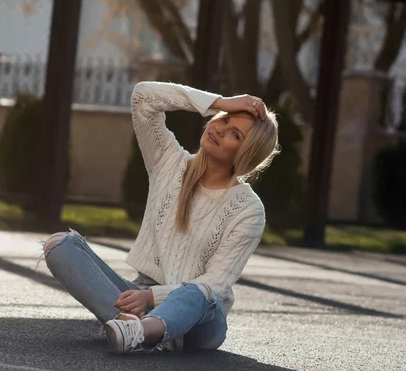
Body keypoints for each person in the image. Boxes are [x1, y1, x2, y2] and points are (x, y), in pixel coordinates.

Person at [41, 81, 279, 354]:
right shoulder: (168, 162)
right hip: (139, 294)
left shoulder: (248, 209)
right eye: (223, 120)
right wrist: (221, 102)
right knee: (61, 245)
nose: (219, 129)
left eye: (234, 134)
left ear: (246, 153)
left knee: (199, 290)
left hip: (200, 317)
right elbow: (143, 97)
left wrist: (153, 297)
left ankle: (140, 329)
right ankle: (138, 330)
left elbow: (217, 283)